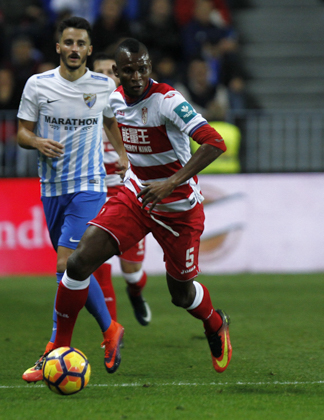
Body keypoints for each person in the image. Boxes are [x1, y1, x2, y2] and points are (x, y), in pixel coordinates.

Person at [50, 38, 232, 373]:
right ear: (117, 72)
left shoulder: (167, 100)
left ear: (150, 68)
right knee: (77, 264)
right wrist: (123, 156)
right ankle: (56, 349)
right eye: (129, 70)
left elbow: (214, 142)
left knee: (180, 294)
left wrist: (171, 182)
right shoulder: (115, 100)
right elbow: (108, 120)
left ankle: (214, 323)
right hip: (136, 198)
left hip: (178, 209)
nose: (137, 76)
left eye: (143, 68)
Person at [16, 16, 129, 382]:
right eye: (69, 43)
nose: (75, 49)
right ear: (58, 47)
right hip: (52, 189)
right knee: (74, 270)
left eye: (81, 44)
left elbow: (111, 120)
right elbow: (22, 132)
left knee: (67, 264)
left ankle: (53, 349)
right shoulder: (38, 85)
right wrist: (36, 143)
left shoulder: (102, 85)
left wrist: (123, 156)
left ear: (90, 49)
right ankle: (110, 329)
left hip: (90, 186)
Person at [91, 53, 151, 327]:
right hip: (93, 197)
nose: (104, 76)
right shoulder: (84, 111)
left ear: (118, 75)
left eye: (109, 71)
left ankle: (136, 292)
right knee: (98, 266)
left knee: (131, 271)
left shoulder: (133, 110)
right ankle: (112, 333)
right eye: (98, 71)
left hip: (127, 196)